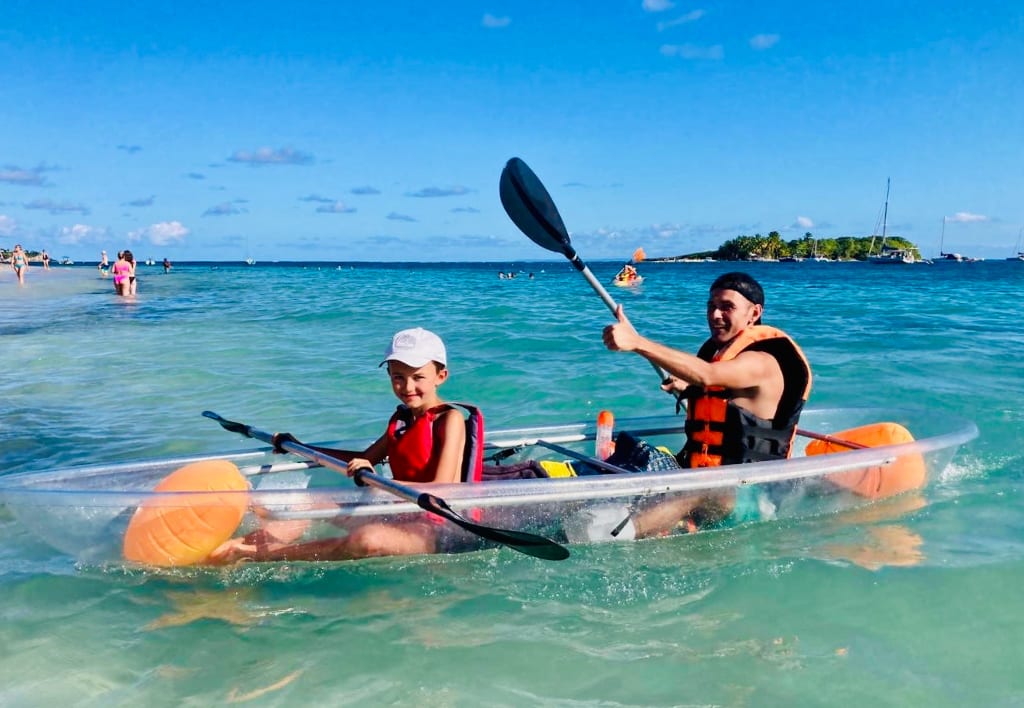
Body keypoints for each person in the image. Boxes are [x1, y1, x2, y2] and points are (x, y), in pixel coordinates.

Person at [209, 327, 481, 563]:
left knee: (367, 540)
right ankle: (236, 547)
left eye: (418, 377)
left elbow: (442, 489)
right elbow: (362, 459)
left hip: (437, 528)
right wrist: (300, 447)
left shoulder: (449, 419)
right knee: (311, 502)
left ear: (441, 376)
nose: (407, 386)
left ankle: (255, 557)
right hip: (400, 512)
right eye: (398, 377)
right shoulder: (403, 421)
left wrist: (379, 485)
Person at [601, 271, 812, 536]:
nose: (715, 315)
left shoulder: (763, 361)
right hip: (711, 480)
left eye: (727, 307)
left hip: (756, 496)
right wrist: (688, 387)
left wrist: (637, 343)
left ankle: (610, 536)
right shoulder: (723, 356)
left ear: (754, 313)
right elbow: (715, 385)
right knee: (636, 453)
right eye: (711, 306)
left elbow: (707, 375)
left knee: (698, 490)